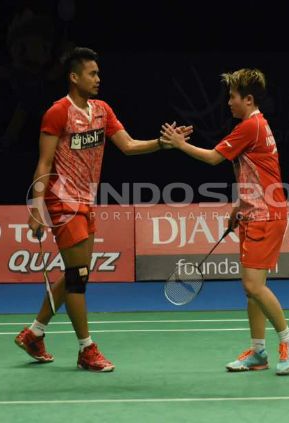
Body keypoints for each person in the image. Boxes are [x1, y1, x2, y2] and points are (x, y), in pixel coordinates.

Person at [15, 47, 190, 372]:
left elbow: (128, 145)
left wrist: (163, 143)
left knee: (75, 274)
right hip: (63, 201)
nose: (98, 79)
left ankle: (35, 333)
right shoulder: (57, 112)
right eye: (92, 73)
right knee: (78, 278)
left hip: (86, 200)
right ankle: (86, 349)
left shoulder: (102, 110)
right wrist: (37, 205)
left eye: (98, 73)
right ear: (74, 76)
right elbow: (44, 161)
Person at [160, 68, 289, 375]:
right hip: (257, 212)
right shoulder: (256, 126)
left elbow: (213, 158)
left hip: (266, 215)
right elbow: (258, 172)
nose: (228, 102)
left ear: (248, 99)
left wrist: (179, 144)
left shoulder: (250, 126)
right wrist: (240, 206)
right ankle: (259, 352)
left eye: (232, 97)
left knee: (253, 285)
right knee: (252, 289)